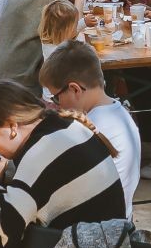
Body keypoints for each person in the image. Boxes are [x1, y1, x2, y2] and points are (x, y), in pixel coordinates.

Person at [0, 81, 126, 248]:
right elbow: (40, 179)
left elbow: (10, 225)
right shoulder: (58, 126)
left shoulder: (42, 149)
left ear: (12, 126)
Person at [38, 41, 142, 218]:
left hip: (98, 228)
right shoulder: (120, 113)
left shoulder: (88, 130)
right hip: (120, 219)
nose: (58, 105)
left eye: (56, 98)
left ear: (75, 89)